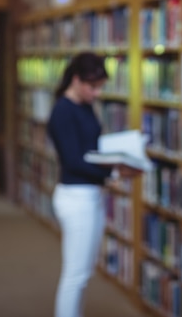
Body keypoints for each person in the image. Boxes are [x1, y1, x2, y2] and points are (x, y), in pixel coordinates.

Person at [47, 51, 138, 317]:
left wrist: (119, 157)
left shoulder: (84, 106)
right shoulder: (62, 111)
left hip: (90, 195)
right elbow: (73, 160)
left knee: (83, 273)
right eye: (93, 86)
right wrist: (113, 175)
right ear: (76, 80)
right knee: (75, 275)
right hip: (76, 197)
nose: (97, 93)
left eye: (100, 87)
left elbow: (92, 149)